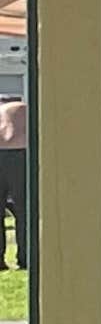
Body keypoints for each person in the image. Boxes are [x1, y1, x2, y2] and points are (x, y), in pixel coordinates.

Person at [0, 93, 26, 273]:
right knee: (23, 211)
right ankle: (24, 257)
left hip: (1, 150)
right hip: (21, 153)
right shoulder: (24, 108)